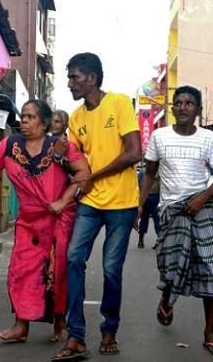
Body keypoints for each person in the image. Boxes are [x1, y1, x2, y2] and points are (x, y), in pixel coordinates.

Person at [0, 99, 90, 344]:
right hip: (28, 220)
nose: (24, 121)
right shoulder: (10, 144)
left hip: (58, 218)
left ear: (44, 122)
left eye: (30, 117)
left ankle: (60, 320)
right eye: (23, 116)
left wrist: (63, 200)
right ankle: (21, 325)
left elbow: (83, 173)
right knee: (21, 270)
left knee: (57, 272)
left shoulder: (58, 145)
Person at [52, 52, 142, 360]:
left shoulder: (119, 103)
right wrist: (63, 156)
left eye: (74, 77)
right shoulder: (76, 117)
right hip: (89, 201)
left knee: (110, 269)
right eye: (70, 77)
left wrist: (94, 176)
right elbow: (76, 165)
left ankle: (109, 329)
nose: (70, 83)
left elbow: (134, 153)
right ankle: (76, 335)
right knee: (73, 258)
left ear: (91, 78)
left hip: (122, 202)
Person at [139, 85, 213, 357]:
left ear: (198, 110)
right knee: (172, 263)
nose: (182, 107)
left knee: (208, 265)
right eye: (178, 102)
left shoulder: (209, 139)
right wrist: (140, 206)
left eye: (189, 103)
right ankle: (167, 297)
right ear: (172, 108)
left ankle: (210, 334)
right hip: (171, 210)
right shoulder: (159, 136)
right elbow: (150, 173)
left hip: (200, 208)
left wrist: (201, 199)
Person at [135, 162, 161, 248]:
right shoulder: (160, 173)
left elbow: (138, 185)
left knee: (144, 219)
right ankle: (159, 240)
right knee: (157, 220)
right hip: (157, 197)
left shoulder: (142, 174)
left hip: (145, 197)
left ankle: (140, 240)